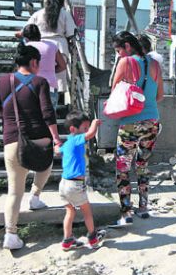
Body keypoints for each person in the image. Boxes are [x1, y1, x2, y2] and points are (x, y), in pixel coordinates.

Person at [0, 43, 63, 250]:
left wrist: (10, 112)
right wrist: (56, 138)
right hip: (40, 138)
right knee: (45, 165)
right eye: (38, 63)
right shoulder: (40, 82)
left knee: (14, 192)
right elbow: (48, 112)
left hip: (13, 141)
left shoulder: (3, 81)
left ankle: (10, 234)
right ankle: (36, 196)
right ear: (33, 62)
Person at [110, 31, 164, 226]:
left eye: (118, 50)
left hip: (130, 122)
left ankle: (126, 211)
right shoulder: (155, 64)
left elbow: (114, 89)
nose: (118, 55)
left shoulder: (125, 62)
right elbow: (160, 96)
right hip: (152, 121)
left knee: (122, 167)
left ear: (127, 46)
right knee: (142, 164)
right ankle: (143, 207)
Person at [58, 112, 105, 250]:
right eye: (85, 127)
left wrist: (56, 147)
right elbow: (90, 135)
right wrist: (95, 125)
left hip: (63, 184)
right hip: (75, 185)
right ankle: (93, 238)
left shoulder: (67, 143)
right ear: (73, 129)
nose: (86, 130)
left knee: (70, 212)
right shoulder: (76, 139)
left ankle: (67, 240)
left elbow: (57, 150)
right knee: (87, 212)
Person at [19, 0, 77, 100]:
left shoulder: (38, 14)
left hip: (40, 46)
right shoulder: (65, 14)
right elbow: (70, 33)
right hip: (59, 45)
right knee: (57, 79)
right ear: (61, 2)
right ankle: (54, 97)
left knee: (38, 72)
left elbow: (26, 29)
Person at [22, 24, 67, 110]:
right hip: (50, 87)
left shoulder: (26, 47)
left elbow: (22, 70)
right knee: (49, 121)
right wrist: (51, 71)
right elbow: (62, 65)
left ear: (26, 38)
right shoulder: (53, 45)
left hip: (31, 87)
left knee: (31, 120)